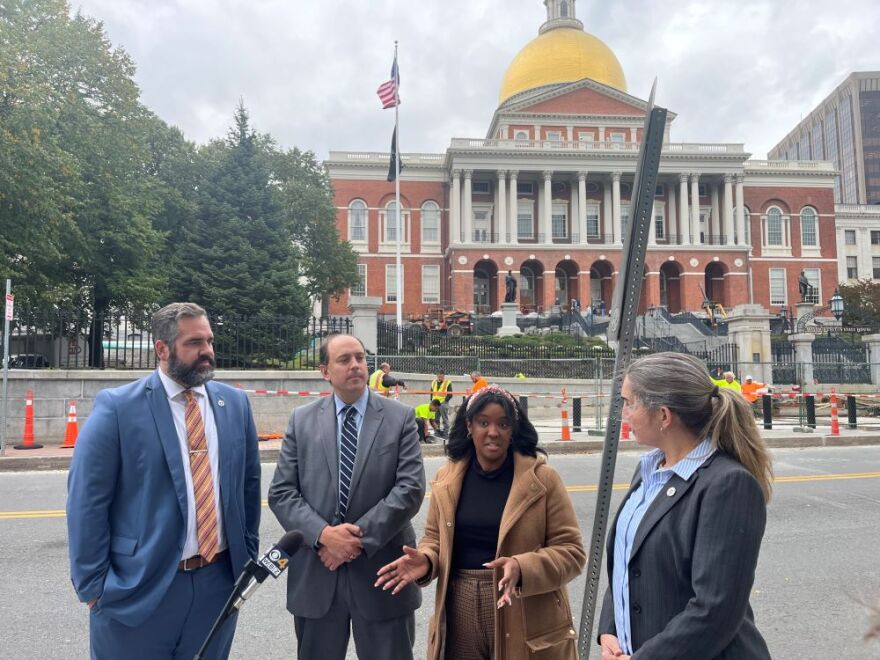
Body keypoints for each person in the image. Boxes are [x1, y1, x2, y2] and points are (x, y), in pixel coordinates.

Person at [66, 302, 261, 659]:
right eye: (194, 343)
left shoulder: (233, 404)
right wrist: (95, 588)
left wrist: (244, 561)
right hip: (140, 589)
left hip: (216, 586)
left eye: (210, 341)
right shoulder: (118, 408)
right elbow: (87, 502)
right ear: (162, 348)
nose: (207, 352)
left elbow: (248, 486)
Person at [376, 385, 586, 659]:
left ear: (513, 430)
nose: (493, 432)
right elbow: (434, 539)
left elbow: (572, 552)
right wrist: (427, 559)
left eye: (503, 423)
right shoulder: (447, 479)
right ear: (468, 426)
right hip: (460, 607)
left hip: (524, 609)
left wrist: (522, 567)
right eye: (483, 422)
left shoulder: (543, 480)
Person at [598, 352, 773, 659]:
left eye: (629, 403)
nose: (624, 414)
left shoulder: (727, 485)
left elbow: (714, 610)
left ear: (663, 416)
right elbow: (630, 561)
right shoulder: (649, 470)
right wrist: (609, 628)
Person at [268, 334, 426, 660]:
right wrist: (324, 536)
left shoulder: (400, 418)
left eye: (360, 357)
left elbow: (409, 488)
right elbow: (282, 492)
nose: (355, 365)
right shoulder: (302, 419)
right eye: (344, 360)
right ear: (325, 371)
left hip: (383, 572)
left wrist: (354, 541)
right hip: (317, 574)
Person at [430, 369, 453, 436]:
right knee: (436, 419)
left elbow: (450, 394)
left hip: (443, 403)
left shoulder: (447, 382)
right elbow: (431, 392)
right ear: (437, 375)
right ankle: (437, 432)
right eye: (439, 376)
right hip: (435, 404)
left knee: (444, 419)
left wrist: (445, 401)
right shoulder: (434, 382)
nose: (440, 377)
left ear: (444, 376)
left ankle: (445, 433)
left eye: (441, 376)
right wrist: (432, 401)